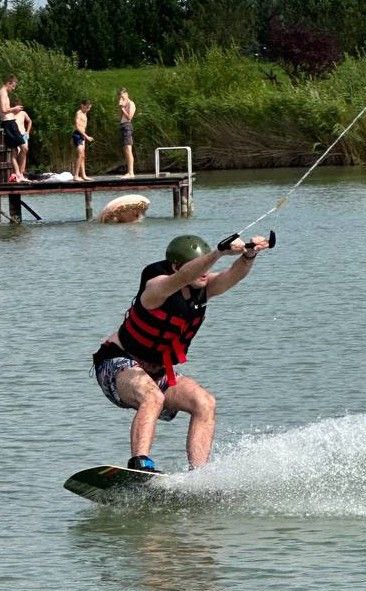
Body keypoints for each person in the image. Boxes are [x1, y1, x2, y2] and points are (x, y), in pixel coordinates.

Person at [92, 232, 273, 472]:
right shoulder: (157, 288)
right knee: (152, 396)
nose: (204, 273)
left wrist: (249, 255)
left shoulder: (202, 288)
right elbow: (184, 276)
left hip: (158, 372)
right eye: (198, 267)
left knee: (204, 402)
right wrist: (218, 253)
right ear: (176, 267)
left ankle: (199, 474)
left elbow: (232, 275)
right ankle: (140, 464)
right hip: (117, 364)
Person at [0, 75, 27, 183]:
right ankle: (19, 174)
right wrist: (15, 108)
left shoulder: (2, 93)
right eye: (13, 86)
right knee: (23, 148)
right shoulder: (3, 93)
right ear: (9, 82)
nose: (13, 89)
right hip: (9, 123)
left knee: (16, 150)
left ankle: (18, 174)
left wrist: (13, 111)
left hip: (9, 122)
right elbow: (4, 109)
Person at [72, 100, 94, 181]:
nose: (88, 109)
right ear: (82, 105)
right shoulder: (79, 113)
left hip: (82, 136)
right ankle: (76, 175)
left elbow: (83, 127)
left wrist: (84, 137)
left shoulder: (85, 114)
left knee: (83, 156)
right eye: (87, 107)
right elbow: (77, 127)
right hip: (77, 134)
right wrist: (87, 136)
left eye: (89, 108)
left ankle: (84, 175)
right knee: (80, 154)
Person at [118, 88, 136, 178]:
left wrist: (123, 109)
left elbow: (129, 117)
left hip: (127, 126)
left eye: (123, 96)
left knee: (128, 149)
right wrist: (121, 107)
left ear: (127, 94)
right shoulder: (124, 105)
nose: (121, 98)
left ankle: (131, 172)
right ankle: (129, 172)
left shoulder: (131, 104)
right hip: (123, 126)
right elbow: (120, 117)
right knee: (125, 150)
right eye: (120, 97)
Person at [14, 106, 32, 176]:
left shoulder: (23, 113)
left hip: (23, 134)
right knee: (17, 152)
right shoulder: (11, 114)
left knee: (24, 152)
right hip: (15, 135)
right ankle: (17, 172)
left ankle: (22, 172)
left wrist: (28, 131)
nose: (20, 108)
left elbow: (29, 121)